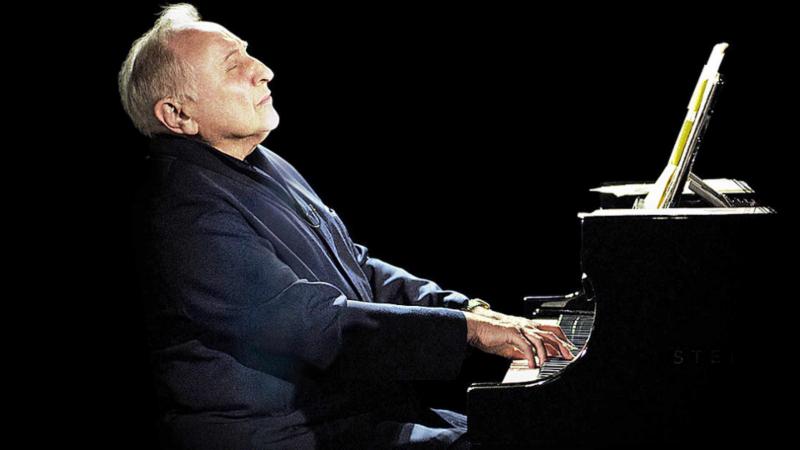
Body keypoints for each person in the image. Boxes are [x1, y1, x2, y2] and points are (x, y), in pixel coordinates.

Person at [120, 4, 575, 449]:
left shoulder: (259, 161)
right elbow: (312, 322)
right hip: (288, 434)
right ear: (178, 115)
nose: (263, 71)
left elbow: (355, 266)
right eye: (232, 66)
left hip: (358, 415)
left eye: (248, 53)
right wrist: (467, 330)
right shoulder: (178, 209)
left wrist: (467, 310)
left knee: (541, 426)